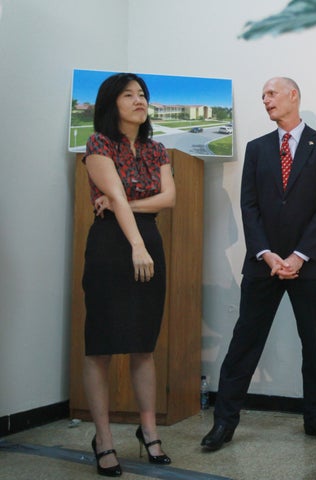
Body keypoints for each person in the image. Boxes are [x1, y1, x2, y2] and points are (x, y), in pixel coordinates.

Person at [201, 77, 316, 451]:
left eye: (271, 93)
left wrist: (298, 256)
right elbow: (249, 206)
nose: (265, 101)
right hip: (263, 262)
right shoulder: (258, 148)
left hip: (309, 265)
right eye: (262, 96)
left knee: (313, 345)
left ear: (293, 95)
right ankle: (224, 423)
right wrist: (266, 253)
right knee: (244, 343)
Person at [81, 72, 175, 477]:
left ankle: (149, 431)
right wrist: (135, 244)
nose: (139, 100)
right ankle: (103, 439)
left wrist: (130, 212)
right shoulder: (99, 143)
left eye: (142, 95)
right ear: (111, 103)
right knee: (99, 345)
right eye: (129, 94)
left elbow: (168, 198)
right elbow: (115, 195)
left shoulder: (158, 149)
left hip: (149, 239)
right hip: (111, 246)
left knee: (144, 344)